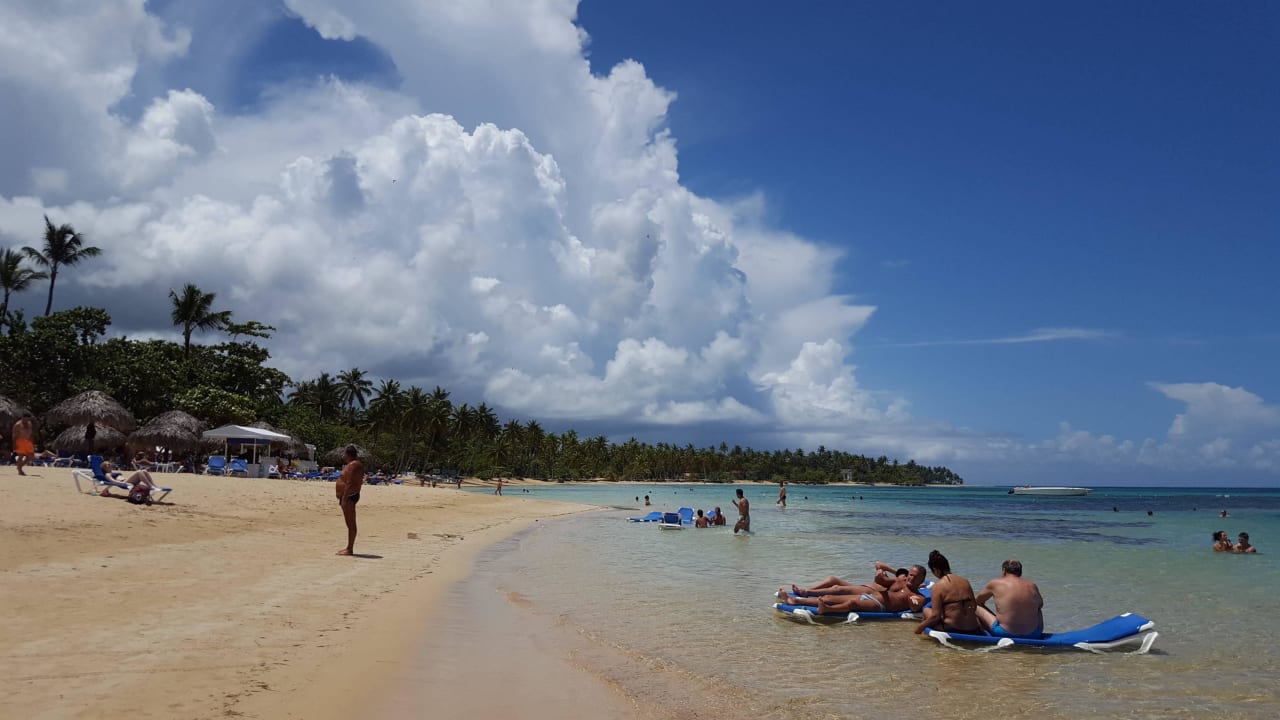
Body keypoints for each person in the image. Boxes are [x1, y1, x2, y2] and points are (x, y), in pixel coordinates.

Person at [914, 550, 982, 635]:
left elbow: (935, 616)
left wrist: (919, 629)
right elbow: (974, 606)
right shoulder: (965, 581)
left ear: (936, 570)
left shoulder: (938, 586)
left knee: (926, 610)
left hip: (953, 629)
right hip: (973, 628)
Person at [975, 559, 1044, 639]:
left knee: (976, 606)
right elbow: (1040, 605)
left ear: (1004, 571)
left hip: (1004, 633)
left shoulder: (996, 583)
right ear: (1020, 573)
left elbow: (978, 601)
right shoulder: (1032, 585)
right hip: (1034, 634)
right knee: (1038, 609)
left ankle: (978, 630)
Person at [335, 445, 365, 556]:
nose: (343, 456)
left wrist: (344, 498)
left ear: (348, 454)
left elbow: (350, 482)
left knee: (351, 523)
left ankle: (349, 549)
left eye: (344, 454)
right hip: (348, 496)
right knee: (349, 523)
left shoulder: (354, 465)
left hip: (349, 497)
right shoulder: (353, 464)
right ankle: (349, 548)